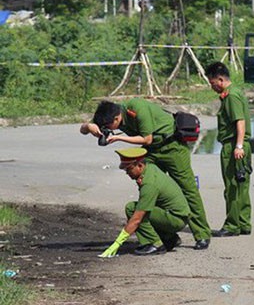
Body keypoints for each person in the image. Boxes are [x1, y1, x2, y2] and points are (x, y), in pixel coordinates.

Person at [80, 98, 211, 250]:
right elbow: (83, 129)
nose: (107, 129)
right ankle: (167, 237)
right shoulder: (107, 115)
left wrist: (118, 137)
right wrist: (89, 126)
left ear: (117, 118)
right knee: (149, 188)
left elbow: (147, 139)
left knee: (188, 190)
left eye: (108, 126)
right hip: (153, 151)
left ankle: (202, 234)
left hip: (172, 146)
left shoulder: (137, 108)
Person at [99, 148, 190, 257]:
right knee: (145, 207)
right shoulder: (150, 168)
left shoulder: (149, 184)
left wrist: (116, 244)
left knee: (132, 209)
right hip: (177, 216)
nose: (127, 173)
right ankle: (169, 238)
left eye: (129, 169)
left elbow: (137, 219)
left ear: (140, 165)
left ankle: (155, 244)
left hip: (175, 219)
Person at [206, 62, 252, 237]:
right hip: (240, 145)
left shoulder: (231, 96)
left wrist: (238, 146)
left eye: (212, 83)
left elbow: (239, 121)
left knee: (232, 186)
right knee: (242, 185)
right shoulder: (235, 93)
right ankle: (244, 223)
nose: (212, 87)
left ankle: (233, 225)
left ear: (220, 79)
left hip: (234, 145)